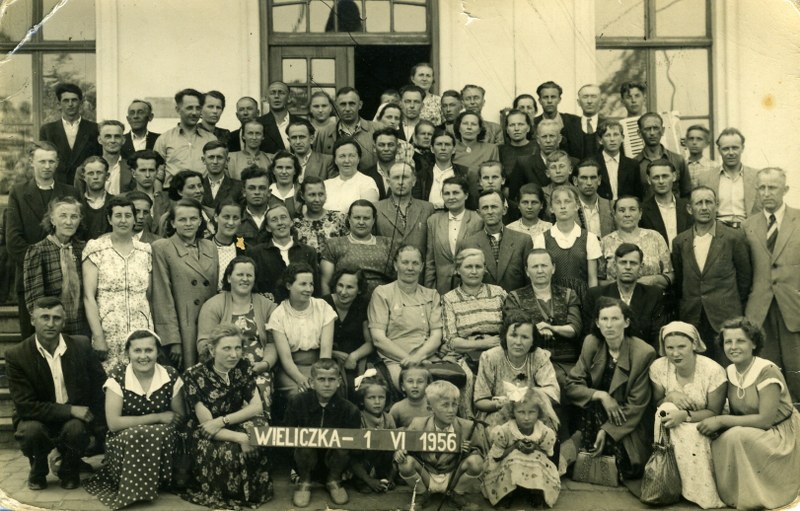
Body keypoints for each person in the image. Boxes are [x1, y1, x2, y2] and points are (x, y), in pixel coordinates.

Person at [698, 317, 800, 510]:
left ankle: (758, 496)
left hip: (781, 434)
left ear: (753, 343)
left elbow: (765, 420)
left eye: (740, 341)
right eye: (728, 342)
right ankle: (732, 495)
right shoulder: (729, 371)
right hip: (753, 430)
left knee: (736, 435)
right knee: (719, 439)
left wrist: (721, 420)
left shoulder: (766, 371)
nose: (733, 347)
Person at [6, 297, 106, 490]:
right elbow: (25, 406)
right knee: (31, 431)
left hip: (73, 422)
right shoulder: (17, 355)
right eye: (45, 317)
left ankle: (69, 469)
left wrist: (100, 431)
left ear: (64, 322)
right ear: (33, 320)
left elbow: (99, 390)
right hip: (36, 419)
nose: (50, 324)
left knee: (76, 429)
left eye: (56, 318)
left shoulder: (81, 346)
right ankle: (38, 467)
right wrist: (70, 410)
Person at [85, 330, 185, 510]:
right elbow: (114, 424)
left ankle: (159, 481)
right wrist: (158, 417)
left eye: (149, 350)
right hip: (125, 441)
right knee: (138, 433)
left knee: (159, 432)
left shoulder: (170, 374)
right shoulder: (118, 376)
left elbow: (177, 418)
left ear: (157, 352)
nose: (143, 356)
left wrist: (158, 424)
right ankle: (135, 490)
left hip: (162, 440)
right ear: (128, 353)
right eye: (137, 350)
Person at [181, 324, 273, 509]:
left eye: (238, 348)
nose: (234, 354)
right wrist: (241, 437)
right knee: (230, 450)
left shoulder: (243, 367)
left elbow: (256, 407)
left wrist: (224, 421)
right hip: (206, 432)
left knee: (260, 432)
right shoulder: (194, 375)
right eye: (227, 348)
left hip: (231, 420)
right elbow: (207, 426)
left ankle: (254, 491)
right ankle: (228, 493)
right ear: (212, 350)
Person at [566, 297, 657, 480]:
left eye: (615, 319)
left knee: (625, 466)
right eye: (604, 319)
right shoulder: (591, 342)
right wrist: (601, 395)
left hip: (625, 420)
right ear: (597, 323)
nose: (609, 325)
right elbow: (572, 385)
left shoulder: (643, 353)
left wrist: (607, 430)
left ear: (626, 322)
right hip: (593, 413)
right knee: (575, 462)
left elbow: (636, 405)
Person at [648, 322, 726, 509]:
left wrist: (685, 416)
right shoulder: (659, 367)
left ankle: (697, 492)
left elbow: (714, 412)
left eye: (681, 346)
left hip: (705, 420)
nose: (675, 353)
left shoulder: (712, 370)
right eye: (670, 348)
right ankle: (670, 482)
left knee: (692, 433)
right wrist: (671, 396)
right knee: (666, 408)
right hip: (673, 420)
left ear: (694, 344)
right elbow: (657, 403)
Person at [7, 141, 80, 337]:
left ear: (57, 163)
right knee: (33, 338)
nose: (47, 166)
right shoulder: (19, 193)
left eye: (51, 161)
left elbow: (77, 232)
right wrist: (38, 264)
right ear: (32, 162)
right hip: (31, 278)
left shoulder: (70, 192)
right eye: (42, 161)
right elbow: (13, 240)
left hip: (67, 277)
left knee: (69, 338)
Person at [672, 186, 752, 363]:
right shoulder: (680, 242)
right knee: (700, 367)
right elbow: (680, 280)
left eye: (708, 202)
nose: (704, 207)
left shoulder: (733, 238)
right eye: (698, 203)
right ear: (689, 209)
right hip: (693, 316)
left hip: (725, 317)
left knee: (728, 365)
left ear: (717, 205)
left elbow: (745, 279)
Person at [743, 167, 800, 403]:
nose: (766, 193)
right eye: (762, 188)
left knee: (797, 370)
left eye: (773, 187)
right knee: (767, 372)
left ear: (785, 189)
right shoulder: (748, 225)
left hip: (793, 307)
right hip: (760, 309)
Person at [83, 196, 153, 372]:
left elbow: (149, 294)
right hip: (109, 330)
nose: (123, 220)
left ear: (134, 219)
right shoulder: (96, 248)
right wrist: (98, 336)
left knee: (141, 376)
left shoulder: (145, 250)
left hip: (140, 328)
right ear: (109, 219)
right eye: (118, 215)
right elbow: (88, 296)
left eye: (128, 215)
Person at [395, 380, 486, 509]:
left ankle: (457, 494)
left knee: (476, 462)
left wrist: (468, 451)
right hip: (427, 475)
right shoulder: (418, 424)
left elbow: (479, 452)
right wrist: (400, 452)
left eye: (454, 405)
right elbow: (405, 447)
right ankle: (421, 494)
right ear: (430, 408)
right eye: (445, 405)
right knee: (405, 462)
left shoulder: (467, 427)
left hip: (452, 476)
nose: (451, 410)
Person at [152, 198, 219, 370]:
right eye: (182, 219)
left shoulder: (210, 247)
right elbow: (162, 296)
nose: (188, 224)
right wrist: (173, 339)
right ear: (173, 223)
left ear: (200, 221)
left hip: (207, 326)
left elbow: (212, 292)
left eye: (193, 218)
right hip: (183, 328)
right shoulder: (162, 247)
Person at [285, 358, 361, 508]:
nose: (327, 384)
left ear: (339, 382)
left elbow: (353, 447)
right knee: (304, 439)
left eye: (331, 379)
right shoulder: (298, 402)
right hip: (305, 460)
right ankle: (305, 482)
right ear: (312, 382)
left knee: (344, 442)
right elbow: (286, 436)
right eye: (321, 379)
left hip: (334, 462)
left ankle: (333, 481)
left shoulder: (350, 410)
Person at [441, 248, 507, 418]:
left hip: (498, 352)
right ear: (458, 270)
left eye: (478, 266)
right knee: (467, 378)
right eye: (468, 267)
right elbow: (451, 340)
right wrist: (483, 344)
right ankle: (469, 422)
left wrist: (496, 344)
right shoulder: (449, 299)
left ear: (485, 269)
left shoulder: (498, 293)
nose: (474, 271)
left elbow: (511, 327)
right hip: (464, 355)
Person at [368, 245, 443, 388]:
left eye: (415, 263)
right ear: (396, 265)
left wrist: (418, 357)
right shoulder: (382, 293)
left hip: (428, 358)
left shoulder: (431, 295)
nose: (410, 268)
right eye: (405, 262)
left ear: (421, 267)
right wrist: (409, 359)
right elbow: (378, 338)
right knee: (413, 386)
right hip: (397, 360)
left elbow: (436, 336)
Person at [473, 311, 560, 431]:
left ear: (533, 341)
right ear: (505, 336)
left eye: (525, 337)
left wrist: (528, 396)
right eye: (513, 336)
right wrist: (500, 404)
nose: (518, 342)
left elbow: (553, 392)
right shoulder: (490, 357)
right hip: (498, 414)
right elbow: (480, 400)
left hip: (531, 414)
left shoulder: (540, 356)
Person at [482, 386, 561, 508]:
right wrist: (515, 446)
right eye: (521, 412)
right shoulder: (505, 431)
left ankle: (535, 491)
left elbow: (548, 455)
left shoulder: (544, 431)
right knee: (515, 457)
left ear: (539, 412)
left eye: (532, 412)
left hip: (532, 467)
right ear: (513, 412)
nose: (526, 418)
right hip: (506, 464)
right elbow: (497, 457)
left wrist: (535, 447)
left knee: (537, 456)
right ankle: (506, 493)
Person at [267, 262, 335, 399]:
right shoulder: (278, 315)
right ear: (288, 285)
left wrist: (320, 377)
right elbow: (286, 359)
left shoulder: (323, 308)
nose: (309, 289)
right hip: (292, 369)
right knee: (299, 394)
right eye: (303, 284)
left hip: (320, 364)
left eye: (311, 284)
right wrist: (301, 379)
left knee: (327, 390)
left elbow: (326, 351)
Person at [23, 196, 88, 337]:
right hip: (52, 327)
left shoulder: (84, 249)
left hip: (80, 327)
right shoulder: (38, 251)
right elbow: (35, 300)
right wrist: (49, 325)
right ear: (52, 220)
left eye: (74, 216)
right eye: (63, 216)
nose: (69, 222)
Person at [584, 243, 666, 348]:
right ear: (615, 266)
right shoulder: (596, 295)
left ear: (641, 267)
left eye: (633, 263)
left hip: (643, 354)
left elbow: (657, 336)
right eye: (623, 263)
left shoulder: (654, 295)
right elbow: (590, 336)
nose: (628, 267)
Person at [533, 184, 601, 303]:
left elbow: (592, 279)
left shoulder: (589, 238)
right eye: (558, 202)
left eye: (567, 201)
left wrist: (592, 304)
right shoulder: (542, 239)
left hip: (582, 300)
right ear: (551, 208)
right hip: (553, 299)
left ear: (577, 206)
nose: (563, 206)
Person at [460, 190, 533, 292]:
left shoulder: (523, 241)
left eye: (494, 207)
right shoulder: (468, 244)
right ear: (479, 213)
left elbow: (530, 281)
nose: (490, 212)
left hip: (516, 301)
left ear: (504, 210)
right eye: (485, 208)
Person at [320, 199, 394, 296]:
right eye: (357, 217)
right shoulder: (334, 244)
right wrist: (328, 304)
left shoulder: (388, 244)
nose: (361, 222)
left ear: (373, 220)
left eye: (366, 218)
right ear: (349, 219)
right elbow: (325, 282)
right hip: (345, 301)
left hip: (383, 301)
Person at [424, 175, 483, 295]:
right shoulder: (433, 221)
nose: (451, 197)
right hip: (441, 289)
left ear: (466, 195)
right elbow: (430, 261)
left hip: (470, 288)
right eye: (447, 193)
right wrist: (429, 292)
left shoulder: (478, 220)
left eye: (455, 193)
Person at [600, 196, 674, 290]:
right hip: (615, 297)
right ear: (614, 214)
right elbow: (599, 281)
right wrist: (625, 285)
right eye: (622, 210)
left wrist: (653, 280)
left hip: (652, 295)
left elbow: (670, 275)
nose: (627, 214)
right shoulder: (605, 242)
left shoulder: (655, 237)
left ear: (640, 213)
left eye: (632, 209)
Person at [250, 203, 319, 298]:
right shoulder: (256, 253)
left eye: (283, 217)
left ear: (291, 222)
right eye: (274, 220)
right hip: (270, 305)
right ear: (268, 228)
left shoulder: (309, 251)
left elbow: (316, 287)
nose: (280, 223)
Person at [38, 83, 102, 185]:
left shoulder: (94, 129)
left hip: (85, 185)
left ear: (81, 103)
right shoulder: (47, 130)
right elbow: (44, 160)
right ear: (59, 104)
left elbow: (99, 159)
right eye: (66, 100)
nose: (70, 104)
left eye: (74, 100)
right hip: (58, 186)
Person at [697, 127, 761, 226]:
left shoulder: (757, 176)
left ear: (742, 148)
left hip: (749, 229)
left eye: (735, 148)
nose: (731, 153)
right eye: (726, 149)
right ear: (719, 150)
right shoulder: (705, 178)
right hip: (718, 230)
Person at [153, 88, 217, 188]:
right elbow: (157, 176)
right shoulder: (164, 139)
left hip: (202, 193)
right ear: (178, 109)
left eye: (198, 108)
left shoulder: (211, 139)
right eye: (189, 108)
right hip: (172, 194)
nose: (194, 113)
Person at [324, 268, 373, 395]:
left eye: (350, 287)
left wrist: (354, 356)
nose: (343, 292)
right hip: (328, 358)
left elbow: (370, 342)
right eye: (340, 285)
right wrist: (333, 353)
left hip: (356, 359)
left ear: (359, 290)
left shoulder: (363, 305)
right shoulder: (323, 303)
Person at [375, 161, 436, 260]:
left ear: (414, 181)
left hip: (419, 267)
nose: (400, 182)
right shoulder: (376, 209)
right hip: (387, 267)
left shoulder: (427, 208)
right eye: (396, 177)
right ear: (388, 182)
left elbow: (431, 249)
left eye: (405, 177)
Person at [351, 373, 397, 494]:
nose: (377, 402)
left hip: (381, 459)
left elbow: (395, 446)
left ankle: (387, 478)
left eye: (381, 397)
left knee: (395, 449)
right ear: (362, 400)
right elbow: (353, 456)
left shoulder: (388, 418)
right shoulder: (358, 418)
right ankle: (364, 480)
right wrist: (369, 480)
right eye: (371, 398)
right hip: (363, 459)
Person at [314, 87, 378, 170]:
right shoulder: (324, 133)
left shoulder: (376, 129)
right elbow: (318, 164)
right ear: (336, 106)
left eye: (352, 104)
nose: (347, 109)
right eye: (343, 104)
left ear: (360, 105)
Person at [634, 113, 691, 199]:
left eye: (656, 128)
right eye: (647, 129)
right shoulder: (634, 164)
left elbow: (687, 193)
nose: (652, 133)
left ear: (663, 130)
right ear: (639, 133)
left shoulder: (678, 160)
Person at [639, 159, 693, 249]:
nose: (661, 181)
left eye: (665, 176)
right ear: (649, 180)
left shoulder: (688, 207)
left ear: (674, 176)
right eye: (656, 177)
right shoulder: (642, 210)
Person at [414, 130, 471, 209]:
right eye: (439, 144)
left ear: (454, 149)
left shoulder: (464, 173)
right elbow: (416, 203)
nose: (443, 148)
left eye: (447, 144)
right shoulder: (422, 175)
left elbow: (471, 203)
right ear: (432, 149)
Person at [507, 120, 563, 199]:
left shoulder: (572, 163)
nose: (548, 141)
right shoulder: (524, 164)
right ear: (538, 140)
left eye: (552, 136)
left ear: (559, 138)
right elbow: (513, 197)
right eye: (544, 137)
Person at [292, 176, 348, 255]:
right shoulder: (296, 225)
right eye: (312, 195)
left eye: (321, 194)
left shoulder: (339, 219)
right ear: (302, 195)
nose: (317, 199)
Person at [323, 137, 380, 212]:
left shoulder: (367, 182)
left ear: (358, 159)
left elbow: (367, 214)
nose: (347, 160)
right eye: (342, 156)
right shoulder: (326, 184)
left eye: (351, 156)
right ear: (335, 160)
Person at [534, 81, 583, 160]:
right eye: (545, 97)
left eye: (553, 97)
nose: (549, 101)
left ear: (559, 99)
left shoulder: (575, 122)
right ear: (540, 100)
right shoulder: (533, 124)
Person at [595, 120, 643, 201]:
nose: (612, 139)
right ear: (600, 140)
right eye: (607, 135)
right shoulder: (593, 163)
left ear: (622, 138)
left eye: (616, 134)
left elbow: (638, 194)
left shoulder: (632, 164)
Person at [237, 165, 283, 247]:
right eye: (252, 188)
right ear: (244, 192)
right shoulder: (237, 220)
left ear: (269, 192)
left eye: (262, 188)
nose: (257, 192)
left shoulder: (280, 218)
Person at [573, 159, 615, 239]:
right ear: (575, 181)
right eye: (584, 178)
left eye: (593, 178)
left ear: (599, 180)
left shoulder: (611, 206)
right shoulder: (569, 208)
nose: (589, 183)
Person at [256, 81, 301, 154]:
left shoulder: (302, 123)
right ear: (267, 99)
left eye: (281, 93)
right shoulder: (258, 124)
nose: (276, 96)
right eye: (272, 93)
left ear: (289, 98)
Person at [208, 198, 245, 287]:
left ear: (240, 220)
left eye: (235, 218)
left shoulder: (246, 250)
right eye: (226, 217)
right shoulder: (202, 245)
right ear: (216, 217)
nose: (231, 222)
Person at [452, 111, 500, 176]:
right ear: (459, 128)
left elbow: (495, 173)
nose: (469, 127)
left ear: (479, 130)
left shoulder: (491, 149)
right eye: (465, 124)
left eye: (474, 124)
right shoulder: (451, 149)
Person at [77, 156, 113, 240]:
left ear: (107, 176)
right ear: (84, 177)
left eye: (99, 173)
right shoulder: (77, 203)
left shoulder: (115, 202)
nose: (95, 177)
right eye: (90, 173)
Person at [200, 140, 242, 211]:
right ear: (203, 160)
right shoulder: (197, 186)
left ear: (227, 160)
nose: (215, 162)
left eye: (219, 157)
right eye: (211, 157)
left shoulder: (239, 187)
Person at [499, 109, 535, 182]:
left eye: (520, 124)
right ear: (507, 129)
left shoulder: (538, 147)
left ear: (528, 128)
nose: (516, 129)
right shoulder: (500, 151)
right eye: (512, 125)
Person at [363, 127, 399, 199]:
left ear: (397, 147)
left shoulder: (408, 173)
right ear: (374, 148)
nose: (386, 149)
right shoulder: (364, 176)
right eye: (381, 145)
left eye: (390, 145)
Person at [267, 150, 301, 217]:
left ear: (295, 171)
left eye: (288, 168)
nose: (284, 172)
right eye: (280, 167)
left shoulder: (302, 192)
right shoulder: (266, 193)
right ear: (273, 170)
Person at [575, 83, 603, 159]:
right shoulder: (571, 127)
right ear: (578, 102)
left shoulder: (608, 125)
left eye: (593, 96)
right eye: (585, 97)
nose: (589, 101)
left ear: (600, 101)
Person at [683, 124, 716, 189]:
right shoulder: (681, 165)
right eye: (691, 139)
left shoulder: (714, 166)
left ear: (706, 143)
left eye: (699, 139)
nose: (694, 142)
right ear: (686, 142)